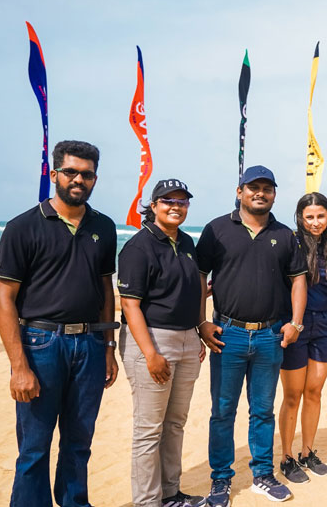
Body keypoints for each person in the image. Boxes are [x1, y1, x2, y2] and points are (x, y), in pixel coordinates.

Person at [0, 140, 119, 507]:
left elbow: (105, 289)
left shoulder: (104, 226)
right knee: (34, 447)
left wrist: (108, 348)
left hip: (90, 346)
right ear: (55, 175)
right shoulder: (23, 227)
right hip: (41, 344)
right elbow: (4, 297)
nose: (78, 179)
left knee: (79, 443)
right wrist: (19, 366)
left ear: (95, 178)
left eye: (87, 174)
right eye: (71, 172)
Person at [196, 165, 308, 506]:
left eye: (267, 188)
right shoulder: (216, 230)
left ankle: (262, 474)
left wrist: (296, 323)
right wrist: (201, 323)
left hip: (269, 335)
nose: (260, 193)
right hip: (227, 334)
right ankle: (220, 480)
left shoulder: (286, 234)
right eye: (253, 187)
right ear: (239, 191)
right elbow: (199, 277)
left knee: (263, 410)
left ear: (274, 194)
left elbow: (299, 280)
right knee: (222, 411)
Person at [117, 179, 205, 507]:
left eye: (182, 202)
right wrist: (150, 353)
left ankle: (170, 494)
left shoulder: (185, 242)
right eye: (168, 201)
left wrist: (197, 329)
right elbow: (129, 304)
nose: (175, 206)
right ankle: (147, 502)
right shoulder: (138, 247)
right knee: (148, 429)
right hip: (151, 340)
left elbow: (193, 288)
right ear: (153, 206)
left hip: (185, 339)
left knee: (175, 424)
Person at [278, 193, 327, 482]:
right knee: (292, 395)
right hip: (295, 326)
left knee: (314, 392)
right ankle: (287, 457)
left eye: (321, 216)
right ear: (300, 218)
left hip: (325, 324)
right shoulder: (291, 243)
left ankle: (307, 452)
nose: (315, 222)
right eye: (309, 217)